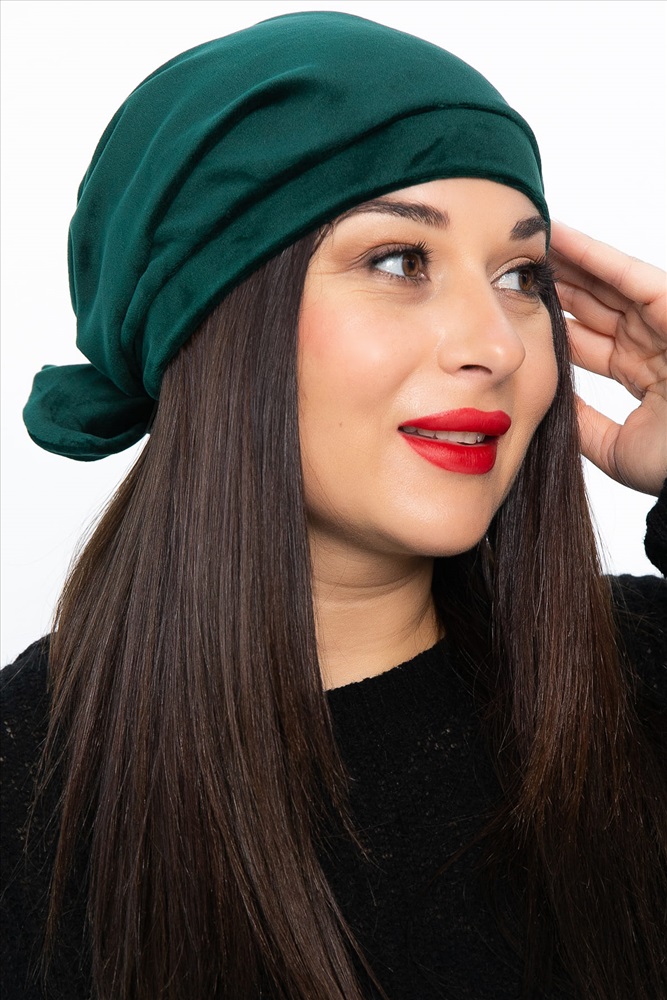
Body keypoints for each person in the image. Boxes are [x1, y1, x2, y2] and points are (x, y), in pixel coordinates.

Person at [1, 10, 665, 1000]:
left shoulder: (638, 679)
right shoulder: (27, 788)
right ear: (214, 316)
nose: (497, 344)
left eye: (520, 277)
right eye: (400, 261)